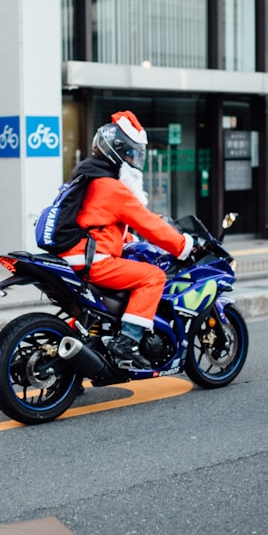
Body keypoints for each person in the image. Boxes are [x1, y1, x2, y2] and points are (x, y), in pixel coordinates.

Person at [59, 111, 194, 370]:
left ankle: (81, 358)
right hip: (93, 261)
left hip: (75, 255)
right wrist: (182, 245)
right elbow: (150, 224)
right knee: (153, 276)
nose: (135, 160)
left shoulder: (89, 177)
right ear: (117, 152)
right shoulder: (113, 187)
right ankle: (127, 342)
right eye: (132, 153)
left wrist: (128, 239)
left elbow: (99, 223)